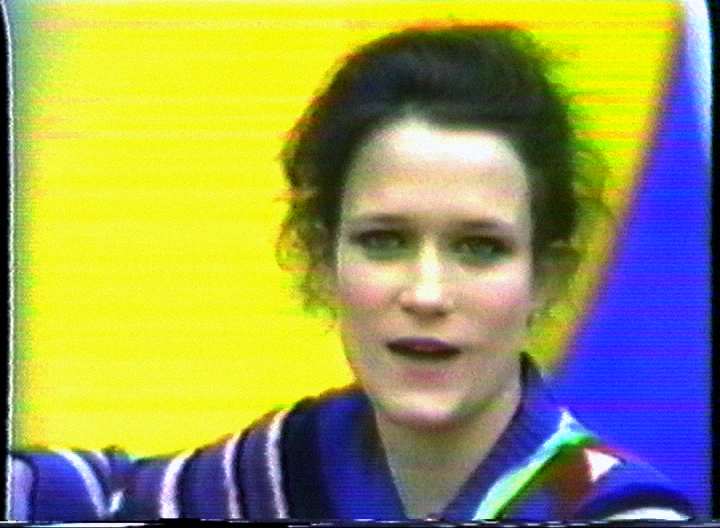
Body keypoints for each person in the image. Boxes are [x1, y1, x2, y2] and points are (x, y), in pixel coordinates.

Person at [9, 23, 694, 522]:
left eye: (479, 248)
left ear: (546, 278)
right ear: (320, 257)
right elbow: (94, 497)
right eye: (384, 241)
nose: (426, 293)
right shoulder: (277, 472)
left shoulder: (612, 511)